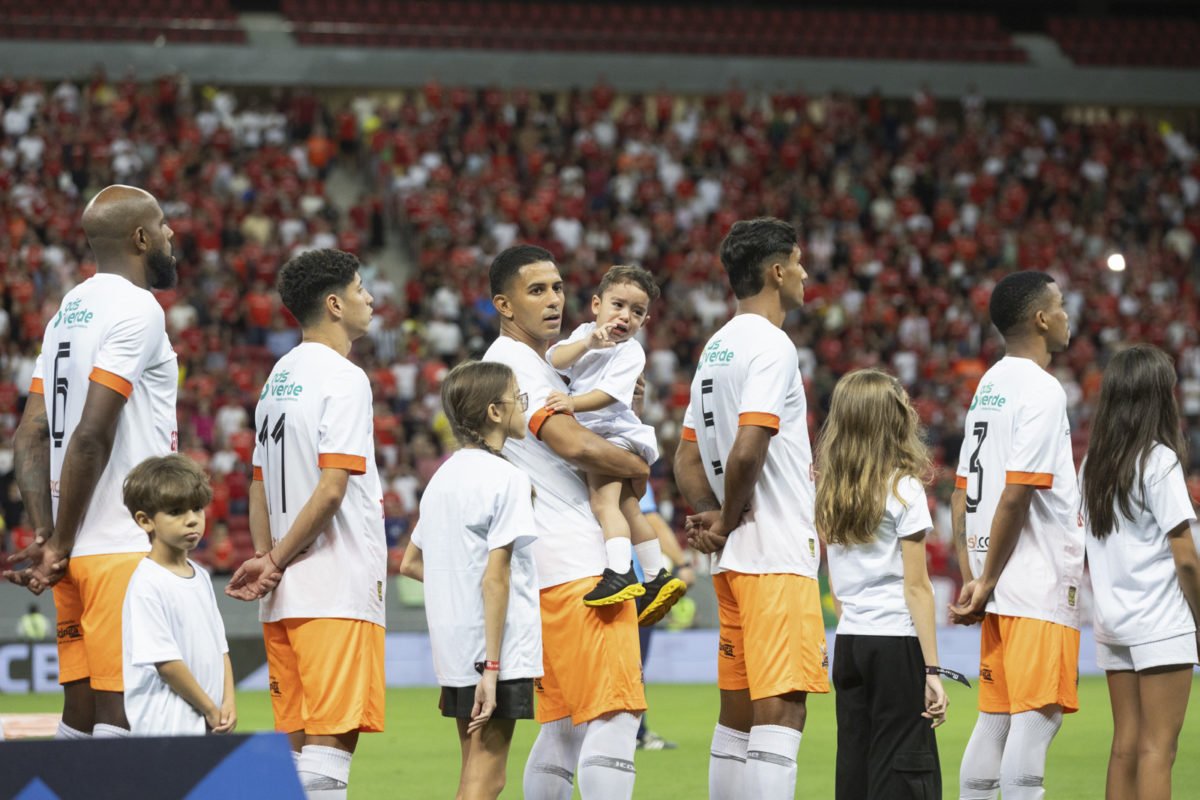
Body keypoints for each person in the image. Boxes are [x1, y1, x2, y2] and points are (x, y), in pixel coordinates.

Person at [5, 184, 181, 740]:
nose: (171, 235)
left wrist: (49, 533)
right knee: (125, 717)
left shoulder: (67, 313)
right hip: (123, 548)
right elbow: (90, 437)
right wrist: (57, 542)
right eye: (163, 225)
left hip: (78, 552)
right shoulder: (138, 307)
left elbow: (29, 433)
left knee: (78, 718)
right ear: (140, 237)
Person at [482, 245, 648, 800]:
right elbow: (569, 441)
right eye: (537, 291)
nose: (554, 300)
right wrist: (638, 464)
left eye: (557, 288)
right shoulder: (517, 364)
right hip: (580, 566)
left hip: (545, 569)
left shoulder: (539, 362)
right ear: (503, 304)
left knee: (563, 726)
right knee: (614, 717)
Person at [673, 217, 828, 800]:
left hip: (735, 562)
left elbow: (686, 459)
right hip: (776, 552)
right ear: (777, 270)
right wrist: (730, 516)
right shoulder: (772, 344)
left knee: (735, 719)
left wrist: (714, 518)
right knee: (781, 714)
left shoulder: (716, 347)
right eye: (799, 260)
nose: (806, 274)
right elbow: (748, 448)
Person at [226, 248, 386, 800]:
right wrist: (273, 560)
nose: (371, 299)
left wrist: (270, 559)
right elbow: (334, 487)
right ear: (336, 303)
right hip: (334, 587)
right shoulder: (344, 377)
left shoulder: (277, 379)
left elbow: (258, 484)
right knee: (329, 753)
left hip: (286, 597)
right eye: (362, 288)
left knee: (296, 754)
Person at [950, 270, 1082, 800]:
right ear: (1041, 317)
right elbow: (1016, 493)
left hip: (998, 584)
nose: (1068, 315)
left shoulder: (989, 385)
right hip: (1033, 578)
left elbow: (962, 492)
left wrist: (974, 578)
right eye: (1062, 305)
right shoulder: (1043, 389)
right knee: (1037, 720)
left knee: (997, 719)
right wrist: (985, 580)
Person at [399, 360, 541, 800]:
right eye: (518, 397)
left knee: (473, 771)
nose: (523, 406)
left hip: (456, 645)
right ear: (494, 412)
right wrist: (493, 668)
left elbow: (410, 563)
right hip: (496, 651)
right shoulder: (507, 478)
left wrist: (457, 591)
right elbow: (495, 581)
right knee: (489, 777)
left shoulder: (441, 478)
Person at [818, 369, 948, 799]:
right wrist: (932, 670)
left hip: (851, 642)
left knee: (854, 768)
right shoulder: (904, 487)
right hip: (895, 641)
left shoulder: (829, 488)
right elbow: (917, 588)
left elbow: (835, 584)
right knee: (902, 769)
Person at [1080, 345, 1200, 800]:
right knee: (1158, 750)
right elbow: (1185, 556)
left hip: (1114, 623)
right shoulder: (1159, 460)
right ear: (1157, 397)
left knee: (1125, 748)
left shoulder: (1093, 464)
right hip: (1160, 622)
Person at [544, 264, 685, 619]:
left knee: (603, 503)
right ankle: (656, 576)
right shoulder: (585, 334)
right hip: (604, 434)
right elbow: (553, 358)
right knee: (628, 508)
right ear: (596, 305)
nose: (625, 316)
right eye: (618, 305)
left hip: (615, 435)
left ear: (645, 320)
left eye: (636, 312)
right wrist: (587, 342)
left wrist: (572, 402)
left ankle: (620, 572)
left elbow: (609, 394)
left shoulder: (631, 352)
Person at [120, 454, 234, 737]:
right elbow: (166, 664)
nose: (192, 520)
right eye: (175, 512)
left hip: (207, 721)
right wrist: (210, 708)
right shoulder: (146, 583)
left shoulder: (202, 576)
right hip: (165, 727)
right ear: (146, 521)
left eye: (197, 508)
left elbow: (221, 648)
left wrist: (228, 702)